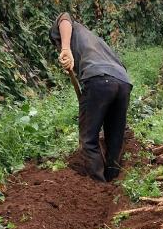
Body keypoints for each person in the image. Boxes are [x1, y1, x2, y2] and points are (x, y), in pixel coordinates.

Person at [50, 12, 132, 182]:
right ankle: (112, 180)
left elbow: (63, 17)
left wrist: (65, 48)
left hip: (98, 80)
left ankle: (98, 187)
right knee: (115, 139)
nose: (59, 49)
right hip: (123, 82)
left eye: (57, 46)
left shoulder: (70, 28)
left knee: (88, 140)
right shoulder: (94, 40)